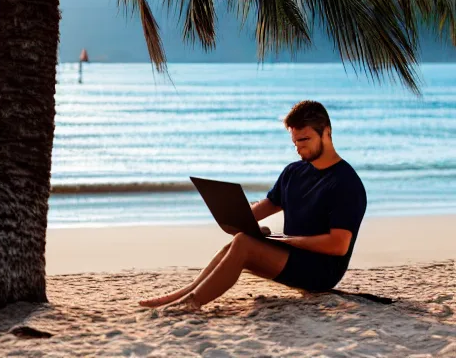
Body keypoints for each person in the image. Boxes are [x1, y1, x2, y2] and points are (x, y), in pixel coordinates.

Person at [139, 100, 367, 310]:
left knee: (245, 246)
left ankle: (191, 303)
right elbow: (267, 205)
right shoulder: (294, 172)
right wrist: (234, 216)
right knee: (240, 240)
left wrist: (286, 241)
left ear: (326, 132)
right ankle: (184, 294)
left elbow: (338, 245)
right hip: (294, 255)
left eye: (304, 140)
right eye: (295, 142)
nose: (299, 148)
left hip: (321, 271)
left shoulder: (345, 183)